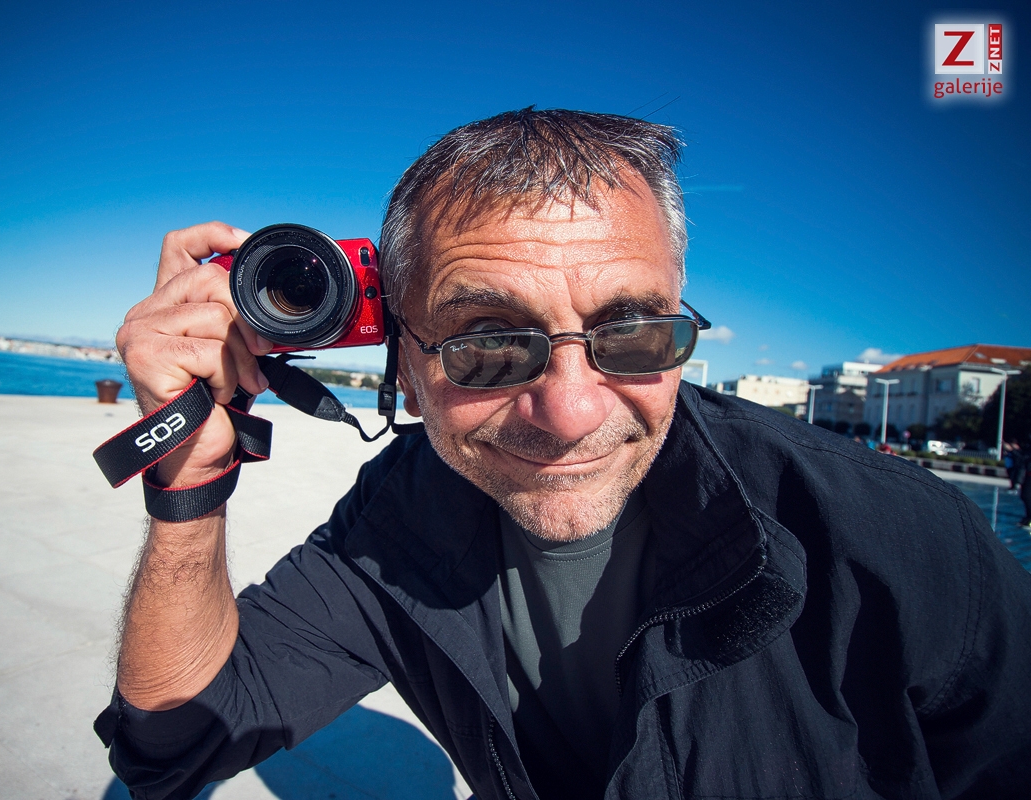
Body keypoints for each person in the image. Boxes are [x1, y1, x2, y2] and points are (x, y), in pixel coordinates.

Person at [96, 109, 1031, 799]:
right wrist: (191, 478)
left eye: (632, 333)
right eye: (487, 343)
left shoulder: (902, 545)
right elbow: (175, 745)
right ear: (404, 367)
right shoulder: (394, 528)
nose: (572, 412)